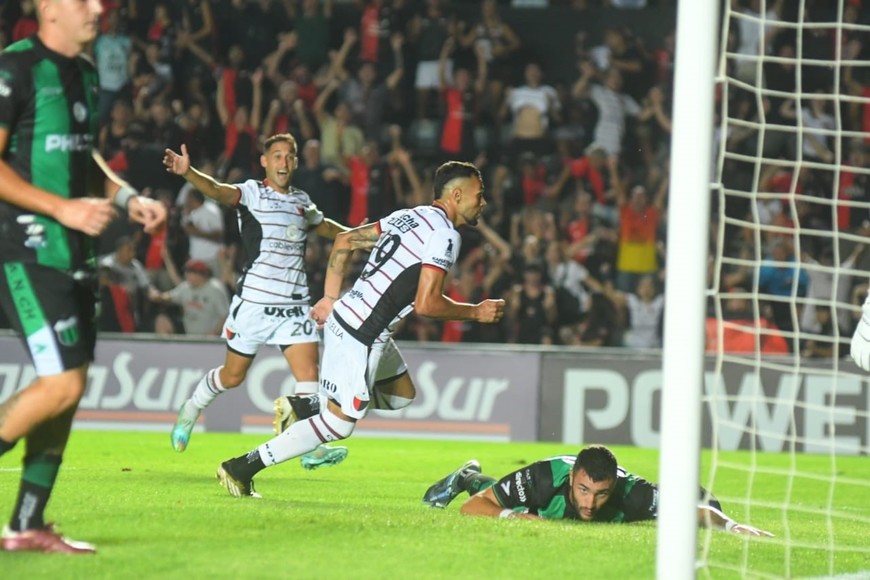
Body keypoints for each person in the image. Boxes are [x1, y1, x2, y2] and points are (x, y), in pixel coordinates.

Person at [214, 161, 505, 498]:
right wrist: (476, 312)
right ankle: (241, 468)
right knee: (339, 424)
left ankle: (307, 407)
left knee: (401, 394)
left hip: (355, 319)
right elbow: (427, 304)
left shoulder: (408, 216)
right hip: (361, 334)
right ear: (456, 195)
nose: (483, 202)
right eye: (479, 195)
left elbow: (344, 240)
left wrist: (329, 298)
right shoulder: (445, 235)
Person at [0, 0, 165, 554]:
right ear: (46, 8)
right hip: (25, 250)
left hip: (77, 255)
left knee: (68, 392)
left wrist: (128, 196)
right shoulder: (15, 67)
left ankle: (26, 524)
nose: (98, 8)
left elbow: (82, 158)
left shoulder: (87, 75)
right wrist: (61, 209)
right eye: (83, 0)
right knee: (61, 383)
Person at [162, 133, 348, 470]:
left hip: (294, 306)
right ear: (265, 161)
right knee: (233, 377)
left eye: (289, 156)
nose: (284, 162)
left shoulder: (302, 201)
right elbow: (217, 190)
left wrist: (356, 234)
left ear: (295, 161)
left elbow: (325, 228)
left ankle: (310, 448)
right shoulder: (252, 193)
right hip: (255, 304)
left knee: (309, 376)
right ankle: (190, 410)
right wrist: (189, 173)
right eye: (276, 156)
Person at [421, 445, 773, 537]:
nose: (589, 504)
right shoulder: (544, 477)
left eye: (600, 494)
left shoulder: (632, 494)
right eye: (584, 490)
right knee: (506, 498)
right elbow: (473, 509)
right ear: (573, 477)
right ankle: (468, 479)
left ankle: (468, 476)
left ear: (614, 487)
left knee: (710, 501)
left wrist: (731, 525)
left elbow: (696, 510)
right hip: (538, 496)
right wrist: (516, 517)